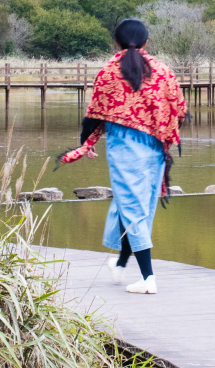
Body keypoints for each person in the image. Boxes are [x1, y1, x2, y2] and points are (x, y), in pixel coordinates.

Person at [60, 18, 186, 294]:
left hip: (124, 147)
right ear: (146, 42)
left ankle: (148, 278)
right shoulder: (163, 72)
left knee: (131, 206)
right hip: (155, 148)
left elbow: (95, 112)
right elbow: (179, 107)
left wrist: (87, 142)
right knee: (133, 204)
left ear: (116, 42)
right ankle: (120, 262)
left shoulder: (108, 72)